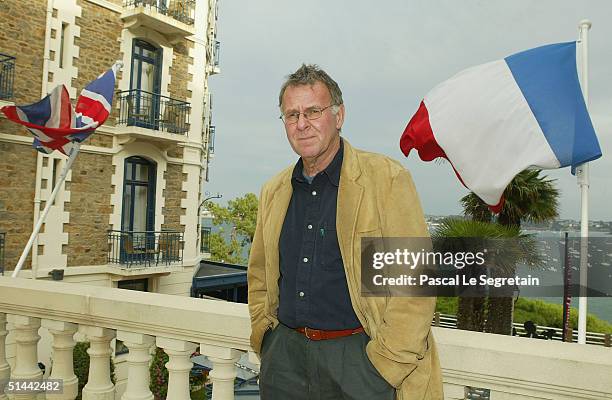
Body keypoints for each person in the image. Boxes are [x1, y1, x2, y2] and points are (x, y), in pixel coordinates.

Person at [247, 64, 443, 400]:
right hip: (284, 360)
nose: (302, 124)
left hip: (358, 361)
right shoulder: (274, 191)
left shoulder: (386, 180)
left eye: (313, 111)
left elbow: (413, 288)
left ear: (339, 116)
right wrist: (267, 336)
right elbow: (259, 275)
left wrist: (384, 366)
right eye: (291, 114)